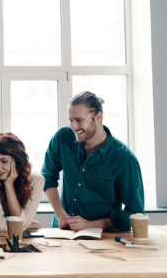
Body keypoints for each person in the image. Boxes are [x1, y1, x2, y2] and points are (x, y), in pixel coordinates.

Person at [41, 91, 144, 232]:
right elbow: (47, 176)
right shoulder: (62, 138)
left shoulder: (125, 160)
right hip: (63, 234)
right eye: (71, 120)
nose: (73, 127)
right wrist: (60, 215)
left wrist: (90, 225)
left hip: (104, 238)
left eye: (79, 120)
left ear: (98, 117)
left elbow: (135, 213)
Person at [0, 132, 44, 231]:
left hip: (22, 240)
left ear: (17, 160)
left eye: (4, 161)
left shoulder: (36, 180)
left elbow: (22, 224)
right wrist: (31, 225)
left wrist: (8, 184)